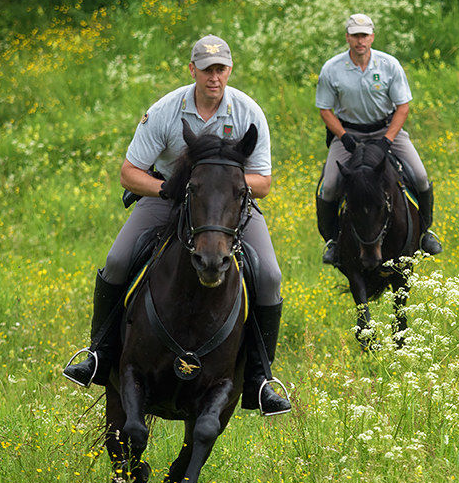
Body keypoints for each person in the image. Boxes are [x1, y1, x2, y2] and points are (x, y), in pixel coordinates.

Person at [63, 34, 291, 416]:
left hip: (228, 209)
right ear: (193, 70)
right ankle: (98, 355)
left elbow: (263, 183)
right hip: (168, 197)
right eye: (206, 70)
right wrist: (171, 188)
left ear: (229, 71)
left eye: (220, 69)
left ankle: (259, 378)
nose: (213, 78)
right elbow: (128, 173)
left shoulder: (249, 113)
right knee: (118, 259)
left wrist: (222, 185)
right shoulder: (167, 110)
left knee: (268, 274)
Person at [315, 13, 443, 265]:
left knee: (420, 176)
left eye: (364, 35)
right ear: (347, 37)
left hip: (386, 131)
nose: (360, 40)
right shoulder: (332, 68)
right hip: (349, 134)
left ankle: (425, 233)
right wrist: (343, 136)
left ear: (372, 37)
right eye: (354, 35)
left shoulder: (389, 65)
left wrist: (387, 140)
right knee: (329, 185)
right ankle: (332, 241)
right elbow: (325, 110)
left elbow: (402, 107)